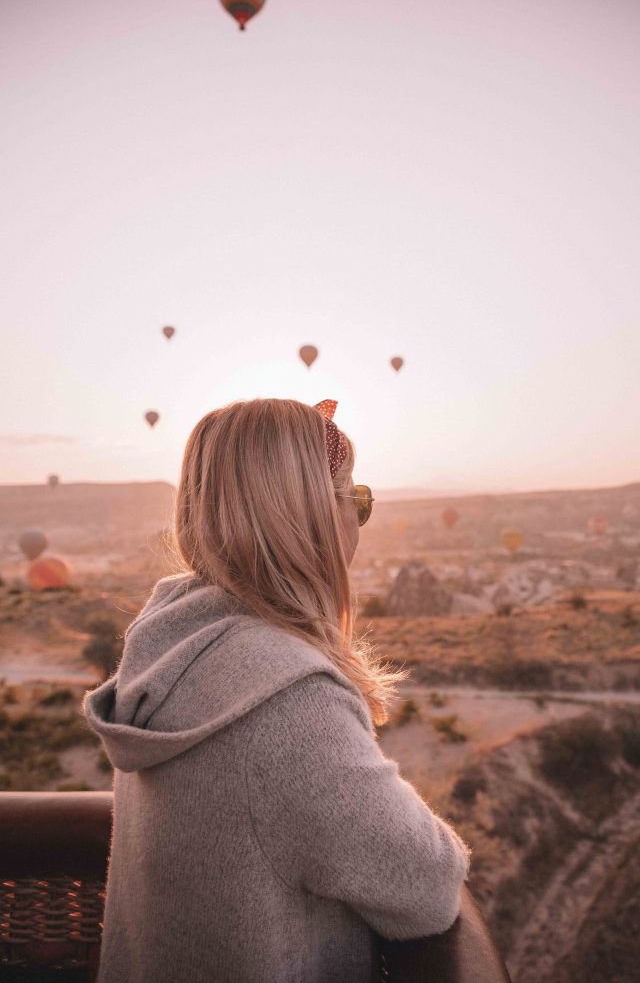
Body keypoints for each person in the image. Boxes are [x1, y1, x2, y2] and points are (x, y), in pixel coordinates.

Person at [82, 398, 471, 983]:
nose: (359, 524)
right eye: (356, 502)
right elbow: (426, 885)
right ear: (313, 515)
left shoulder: (173, 645)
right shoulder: (287, 701)